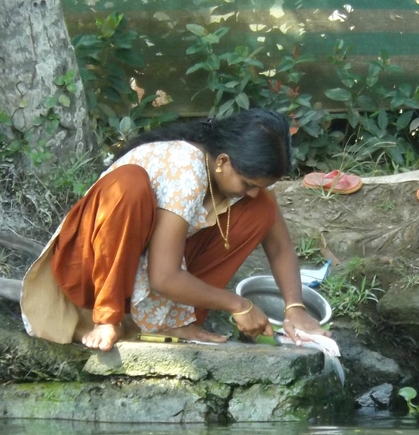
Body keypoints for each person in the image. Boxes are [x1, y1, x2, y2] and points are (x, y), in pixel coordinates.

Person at [21, 108, 331, 351]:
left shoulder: (238, 178)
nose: (251, 192)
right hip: (88, 273)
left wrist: (295, 308)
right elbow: (164, 276)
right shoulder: (187, 167)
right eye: (248, 184)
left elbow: (279, 246)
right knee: (129, 185)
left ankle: (179, 322)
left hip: (146, 274)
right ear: (222, 160)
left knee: (261, 209)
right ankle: (107, 319)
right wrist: (239, 304)